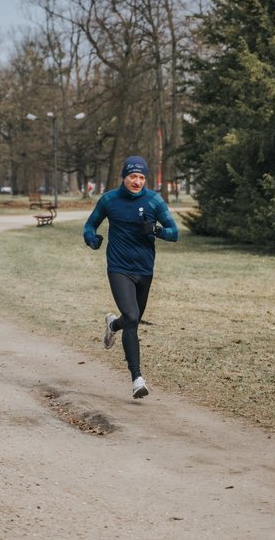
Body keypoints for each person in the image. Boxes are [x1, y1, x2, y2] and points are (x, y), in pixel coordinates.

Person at [82, 155, 179, 399]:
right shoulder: (109, 200)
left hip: (144, 269)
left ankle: (113, 325)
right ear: (124, 177)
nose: (137, 181)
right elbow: (89, 225)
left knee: (130, 321)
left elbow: (174, 233)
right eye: (132, 176)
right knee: (133, 317)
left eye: (141, 177)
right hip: (118, 267)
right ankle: (137, 378)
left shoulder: (154, 200)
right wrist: (92, 239)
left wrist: (156, 231)